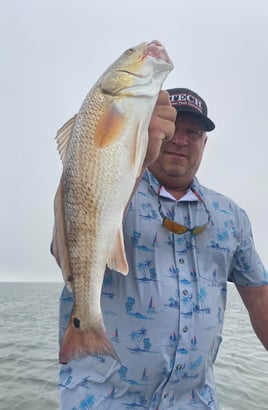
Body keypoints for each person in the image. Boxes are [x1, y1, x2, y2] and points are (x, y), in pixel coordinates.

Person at [54, 88, 268, 409]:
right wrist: (136, 152)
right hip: (103, 400)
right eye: (171, 128)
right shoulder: (114, 188)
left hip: (196, 401)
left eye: (193, 133)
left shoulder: (231, 215)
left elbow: (260, 297)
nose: (180, 140)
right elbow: (66, 242)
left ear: (204, 143)